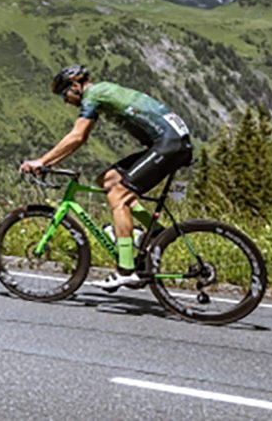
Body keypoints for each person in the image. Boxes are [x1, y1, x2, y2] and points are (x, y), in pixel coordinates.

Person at [21, 65, 193, 290]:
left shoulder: (93, 95)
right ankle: (154, 233)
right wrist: (49, 161)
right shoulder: (101, 92)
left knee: (118, 198)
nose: (65, 100)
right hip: (169, 142)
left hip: (170, 145)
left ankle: (125, 270)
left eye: (65, 94)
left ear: (75, 86)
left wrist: (43, 161)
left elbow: (78, 136)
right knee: (108, 180)